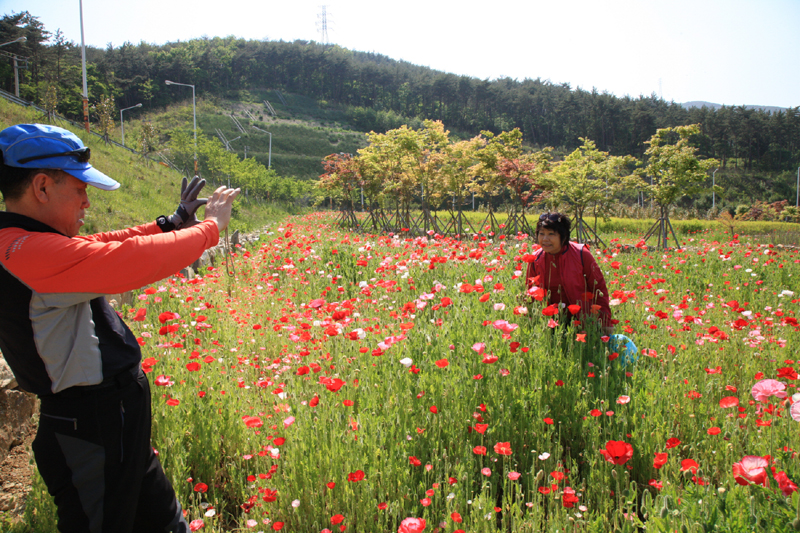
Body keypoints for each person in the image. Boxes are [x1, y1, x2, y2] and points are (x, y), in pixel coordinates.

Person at [0, 123, 240, 533]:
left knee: (164, 522)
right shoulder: (23, 251)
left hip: (112, 418)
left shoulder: (29, 240)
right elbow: (125, 260)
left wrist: (171, 223)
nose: (87, 202)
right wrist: (210, 228)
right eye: (80, 189)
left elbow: (103, 244)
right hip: (90, 425)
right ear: (41, 186)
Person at [525, 212, 615, 335]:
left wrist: (605, 323)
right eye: (541, 234)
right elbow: (530, 292)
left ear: (564, 236)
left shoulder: (581, 254)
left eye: (551, 234)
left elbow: (599, 288)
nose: (545, 239)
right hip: (550, 324)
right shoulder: (536, 259)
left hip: (582, 322)